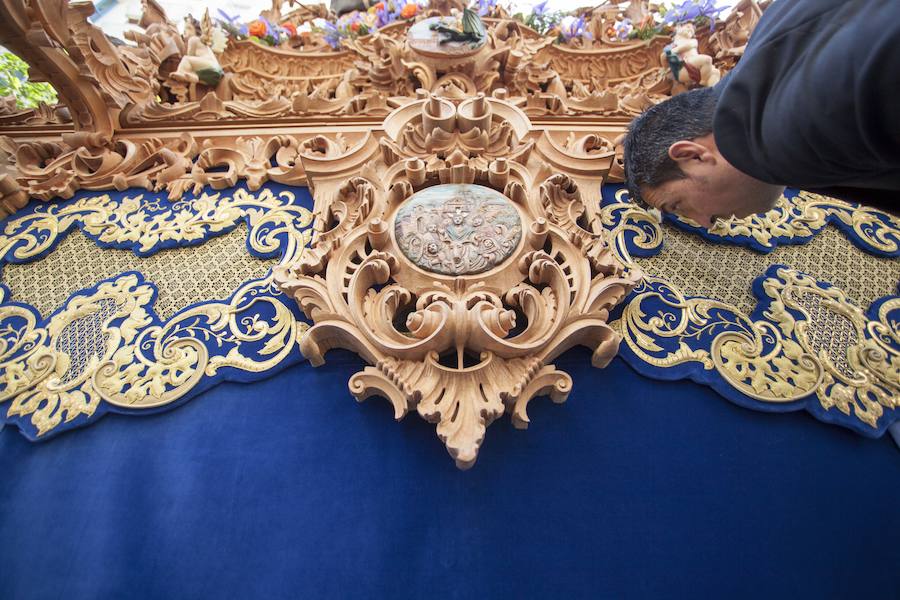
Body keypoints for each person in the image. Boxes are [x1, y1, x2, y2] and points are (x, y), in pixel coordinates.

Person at [623, 0, 900, 227]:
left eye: (678, 206)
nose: (706, 223)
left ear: (693, 155)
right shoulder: (776, 38)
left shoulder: (791, 128)